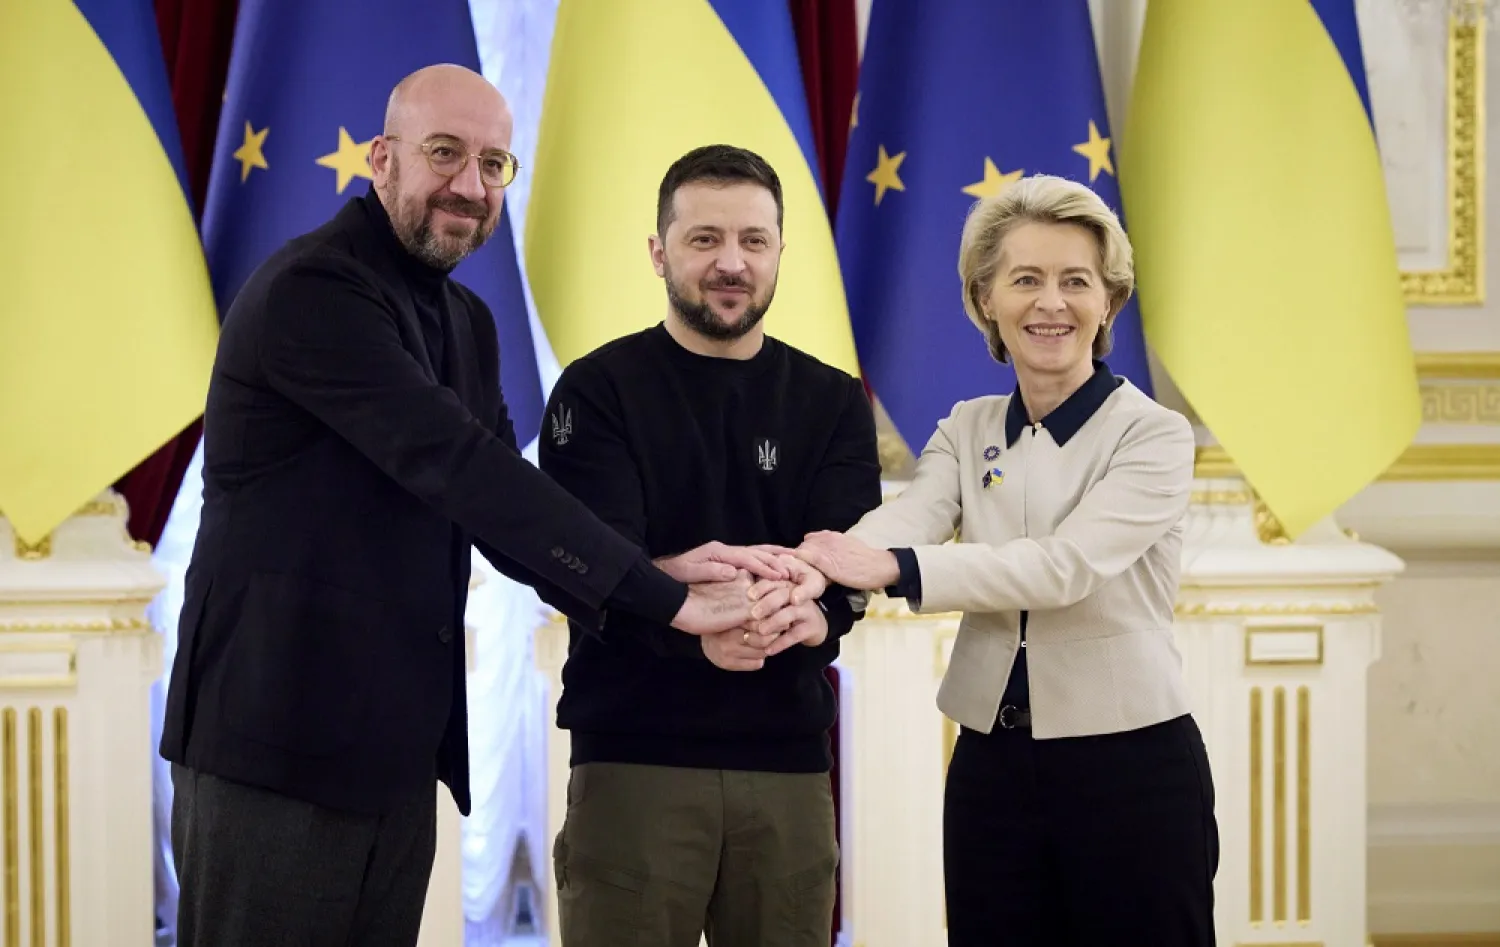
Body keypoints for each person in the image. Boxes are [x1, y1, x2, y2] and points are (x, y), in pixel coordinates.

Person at [159, 66, 775, 947]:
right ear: (382, 159)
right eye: (444, 154)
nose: (470, 185)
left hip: (396, 760)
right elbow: (459, 467)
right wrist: (667, 601)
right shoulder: (314, 291)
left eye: (494, 165)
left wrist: (654, 572)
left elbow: (508, 507)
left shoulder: (468, 320)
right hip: (273, 750)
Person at [794, 174, 1219, 946]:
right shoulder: (967, 426)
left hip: (1133, 767)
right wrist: (819, 566)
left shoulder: (1152, 434)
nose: (1050, 303)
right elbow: (912, 516)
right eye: (1025, 279)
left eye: (1075, 281)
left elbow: (1063, 568)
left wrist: (892, 567)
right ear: (985, 299)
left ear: (1109, 301)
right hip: (992, 764)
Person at [539, 144, 883, 947]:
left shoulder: (834, 400)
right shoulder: (595, 390)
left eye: (753, 241)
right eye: (704, 240)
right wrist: (686, 604)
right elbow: (577, 564)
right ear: (659, 251)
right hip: (632, 761)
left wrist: (807, 610)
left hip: (790, 766)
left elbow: (845, 565)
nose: (731, 263)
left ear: (779, 253)